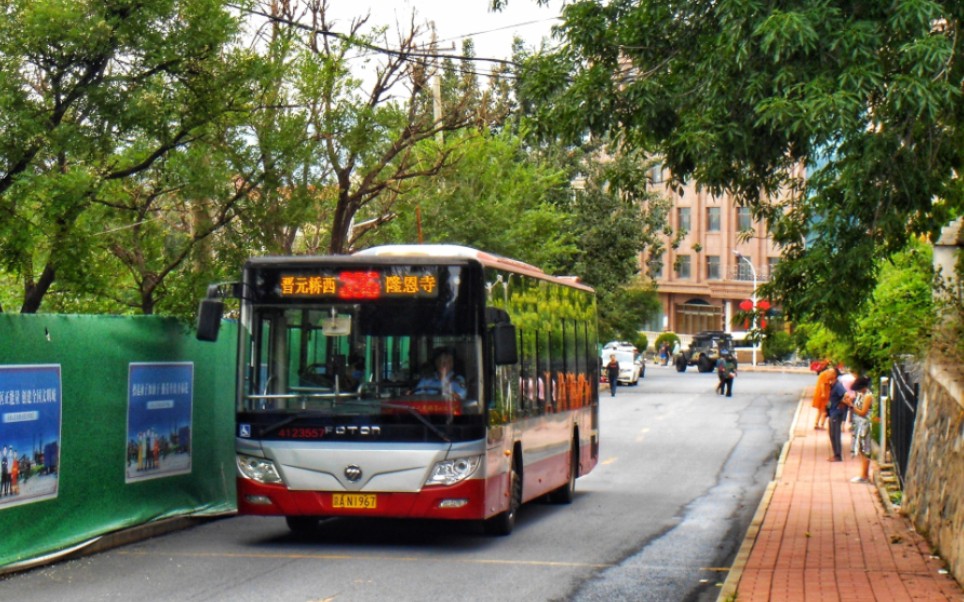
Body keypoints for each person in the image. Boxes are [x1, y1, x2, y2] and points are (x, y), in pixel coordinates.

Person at [845, 376, 875, 483]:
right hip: (859, 424)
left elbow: (863, 412)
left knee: (865, 449)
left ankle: (865, 475)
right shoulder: (862, 395)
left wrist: (851, 405)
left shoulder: (868, 396)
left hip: (865, 424)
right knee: (862, 449)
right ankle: (863, 474)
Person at [826, 368, 848, 461]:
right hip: (832, 412)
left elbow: (846, 395)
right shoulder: (832, 385)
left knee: (835, 434)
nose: (827, 374)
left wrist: (841, 404)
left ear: (835, 375)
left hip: (836, 413)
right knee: (832, 434)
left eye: (830, 373)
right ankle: (835, 454)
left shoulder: (838, 385)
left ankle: (838, 456)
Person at [811, 362, 837, 430]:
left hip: (826, 395)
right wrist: (823, 393)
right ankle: (820, 424)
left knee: (822, 410)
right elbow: (822, 384)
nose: (833, 375)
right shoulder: (824, 375)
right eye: (832, 373)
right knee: (824, 410)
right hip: (823, 395)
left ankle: (817, 423)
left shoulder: (826, 375)